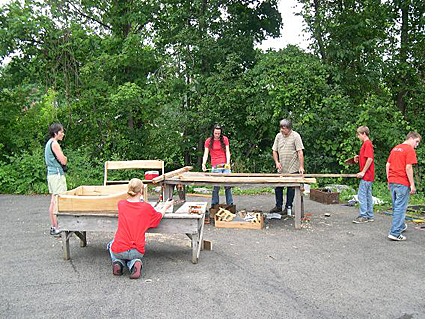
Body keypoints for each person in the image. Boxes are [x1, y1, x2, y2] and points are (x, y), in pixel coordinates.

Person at [108, 178, 173, 279]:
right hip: (137, 250)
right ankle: (135, 263)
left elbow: (130, 205)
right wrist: (166, 206)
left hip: (120, 248)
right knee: (133, 257)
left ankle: (118, 262)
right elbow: (158, 217)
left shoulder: (121, 204)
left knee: (111, 245)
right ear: (141, 191)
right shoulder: (146, 208)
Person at [386, 132, 421, 241]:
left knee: (396, 207)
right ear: (411, 138)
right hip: (402, 182)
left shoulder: (396, 148)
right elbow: (408, 167)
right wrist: (412, 184)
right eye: (417, 141)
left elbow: (388, 165)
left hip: (392, 182)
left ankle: (400, 226)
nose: (417, 145)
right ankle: (395, 233)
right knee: (400, 208)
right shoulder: (409, 150)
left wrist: (389, 180)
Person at [269, 119, 305, 215]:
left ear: (289, 129)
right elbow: (274, 150)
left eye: (283, 128)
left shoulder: (296, 136)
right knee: (278, 187)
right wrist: (277, 162)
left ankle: (288, 207)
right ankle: (278, 206)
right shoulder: (278, 136)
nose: (281, 130)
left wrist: (301, 166)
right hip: (282, 168)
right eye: (280, 127)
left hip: (293, 167)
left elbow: (300, 152)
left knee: (291, 188)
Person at [202, 125, 233, 207]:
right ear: (213, 132)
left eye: (219, 133)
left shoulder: (224, 139)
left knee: (228, 186)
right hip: (215, 165)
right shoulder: (208, 141)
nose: (217, 135)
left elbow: (227, 151)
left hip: (225, 165)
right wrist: (203, 163)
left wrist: (228, 163)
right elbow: (206, 153)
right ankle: (214, 205)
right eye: (216, 133)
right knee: (216, 187)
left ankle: (230, 204)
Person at [44, 123, 67, 236]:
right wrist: (65, 158)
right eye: (61, 131)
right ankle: (56, 227)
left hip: (51, 174)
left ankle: (54, 226)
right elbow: (63, 160)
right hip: (57, 175)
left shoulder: (48, 143)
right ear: (56, 133)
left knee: (53, 200)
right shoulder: (54, 144)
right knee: (57, 201)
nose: (63, 134)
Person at [352, 126, 375, 223]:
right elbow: (366, 157)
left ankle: (363, 216)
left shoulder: (367, 144)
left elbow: (370, 158)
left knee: (362, 195)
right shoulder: (365, 144)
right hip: (368, 175)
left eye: (359, 134)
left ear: (364, 134)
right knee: (367, 196)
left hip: (367, 175)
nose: (358, 137)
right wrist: (359, 156)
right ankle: (369, 215)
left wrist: (363, 172)